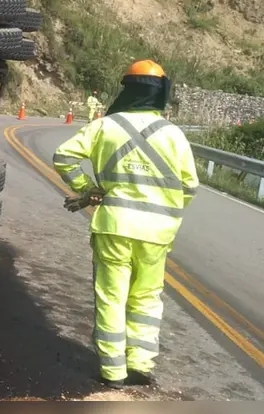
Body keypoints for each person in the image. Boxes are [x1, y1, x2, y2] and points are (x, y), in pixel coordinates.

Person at [52, 60, 199, 389]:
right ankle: (140, 363)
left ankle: (112, 371)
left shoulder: (106, 126)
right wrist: (166, 209)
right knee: (147, 297)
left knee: (111, 296)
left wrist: (85, 189)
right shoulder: (173, 134)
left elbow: (64, 157)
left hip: (114, 226)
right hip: (158, 232)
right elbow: (189, 186)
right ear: (160, 93)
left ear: (127, 89)